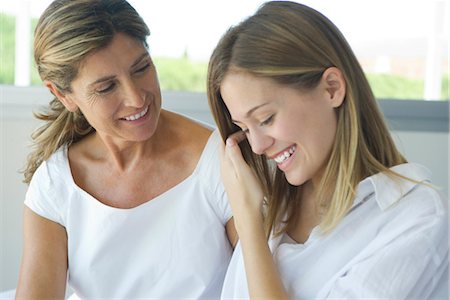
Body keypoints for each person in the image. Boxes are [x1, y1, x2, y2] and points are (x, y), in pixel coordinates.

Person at [207, 1, 449, 299]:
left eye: (266, 119)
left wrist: (248, 224)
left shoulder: (415, 218)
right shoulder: (272, 209)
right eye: (244, 128)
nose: (257, 146)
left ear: (332, 88)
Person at [16, 0, 237, 298]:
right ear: (62, 94)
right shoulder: (56, 184)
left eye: (141, 68)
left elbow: (258, 285)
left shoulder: (220, 162)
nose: (136, 98)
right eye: (106, 87)